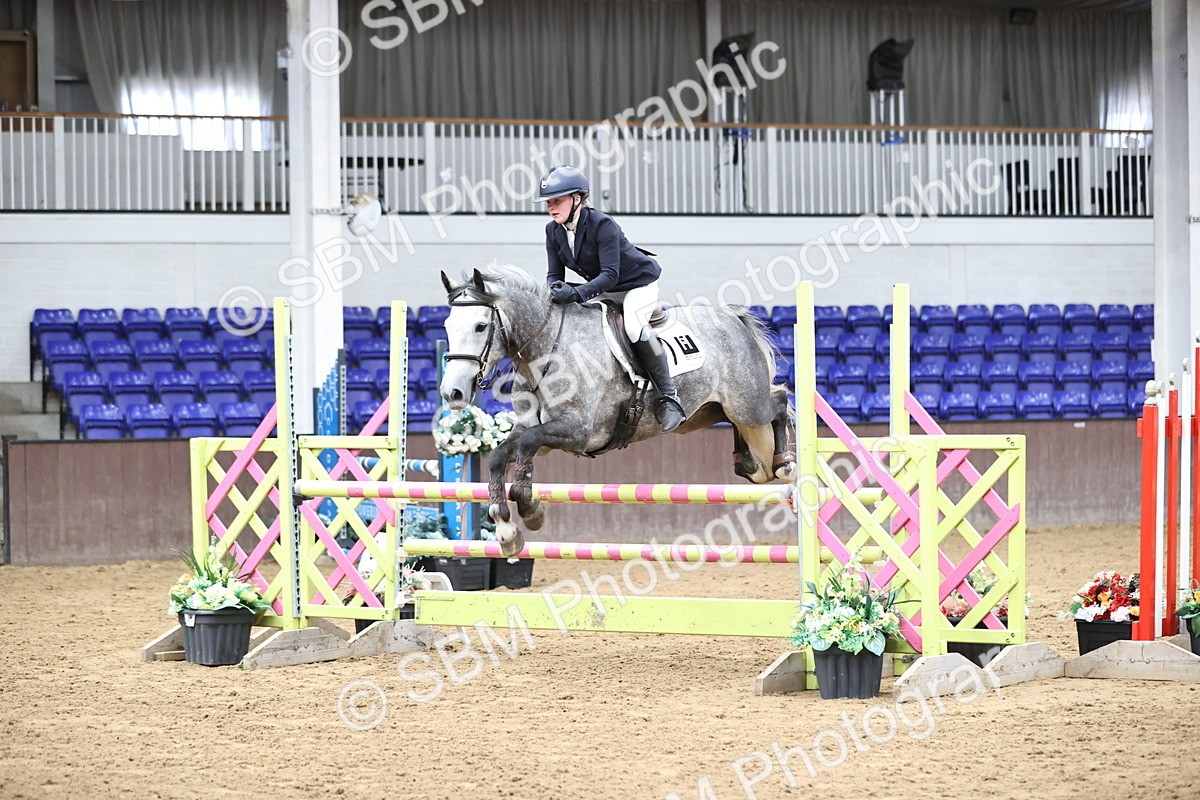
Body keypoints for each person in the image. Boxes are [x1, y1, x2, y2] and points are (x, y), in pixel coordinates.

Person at [536, 165, 685, 432]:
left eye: (557, 200)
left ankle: (669, 397)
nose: (551, 206)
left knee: (633, 326)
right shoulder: (553, 231)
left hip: (637, 285)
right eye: (548, 201)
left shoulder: (602, 224)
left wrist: (578, 293)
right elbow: (553, 274)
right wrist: (554, 292)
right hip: (603, 286)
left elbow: (610, 275)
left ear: (577, 198)